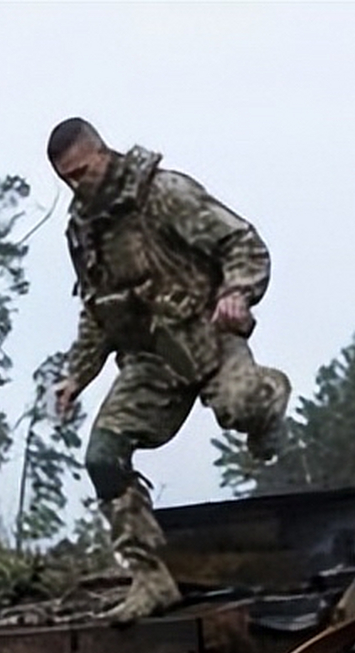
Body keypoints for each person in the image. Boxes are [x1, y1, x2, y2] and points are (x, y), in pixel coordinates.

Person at [48, 117, 291, 622]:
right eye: (65, 179)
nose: (76, 186)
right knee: (102, 457)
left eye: (81, 172)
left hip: (208, 337)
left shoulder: (164, 193)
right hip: (150, 362)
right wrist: (77, 376)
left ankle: (268, 404)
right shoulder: (83, 232)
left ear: (103, 155)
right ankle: (151, 579)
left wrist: (236, 293)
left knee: (240, 405)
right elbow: (98, 312)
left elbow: (242, 243)